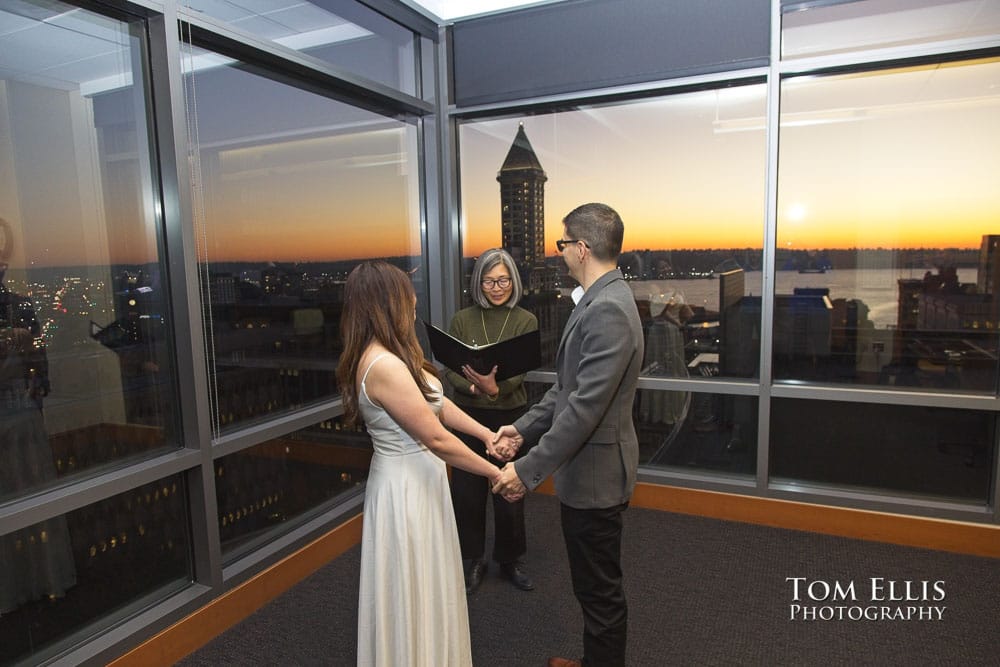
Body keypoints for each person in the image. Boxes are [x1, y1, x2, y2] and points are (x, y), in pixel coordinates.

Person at [336, 260, 516, 667]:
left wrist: (487, 436)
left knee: (427, 581)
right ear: (386, 303)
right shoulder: (382, 365)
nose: (414, 302)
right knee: (411, 585)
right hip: (405, 489)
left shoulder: (395, 353)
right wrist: (496, 472)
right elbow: (434, 437)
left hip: (423, 481)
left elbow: (439, 404)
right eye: (407, 295)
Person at [493, 203, 644, 667]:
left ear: (581, 248)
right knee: (591, 586)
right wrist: (520, 430)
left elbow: (583, 410)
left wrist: (526, 470)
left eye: (563, 244)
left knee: (599, 594)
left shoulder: (609, 310)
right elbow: (566, 389)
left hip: (596, 480)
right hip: (588, 474)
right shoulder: (601, 302)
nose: (559, 253)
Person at [444, 249, 538, 593]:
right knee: (467, 493)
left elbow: (518, 373)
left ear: (513, 281)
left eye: (503, 280)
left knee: (509, 490)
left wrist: (493, 389)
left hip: (511, 418)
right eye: (489, 280)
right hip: (468, 418)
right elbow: (451, 368)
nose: (496, 287)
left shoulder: (526, 319)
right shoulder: (461, 319)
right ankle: (473, 560)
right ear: (478, 282)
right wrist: (475, 386)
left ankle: (510, 559)